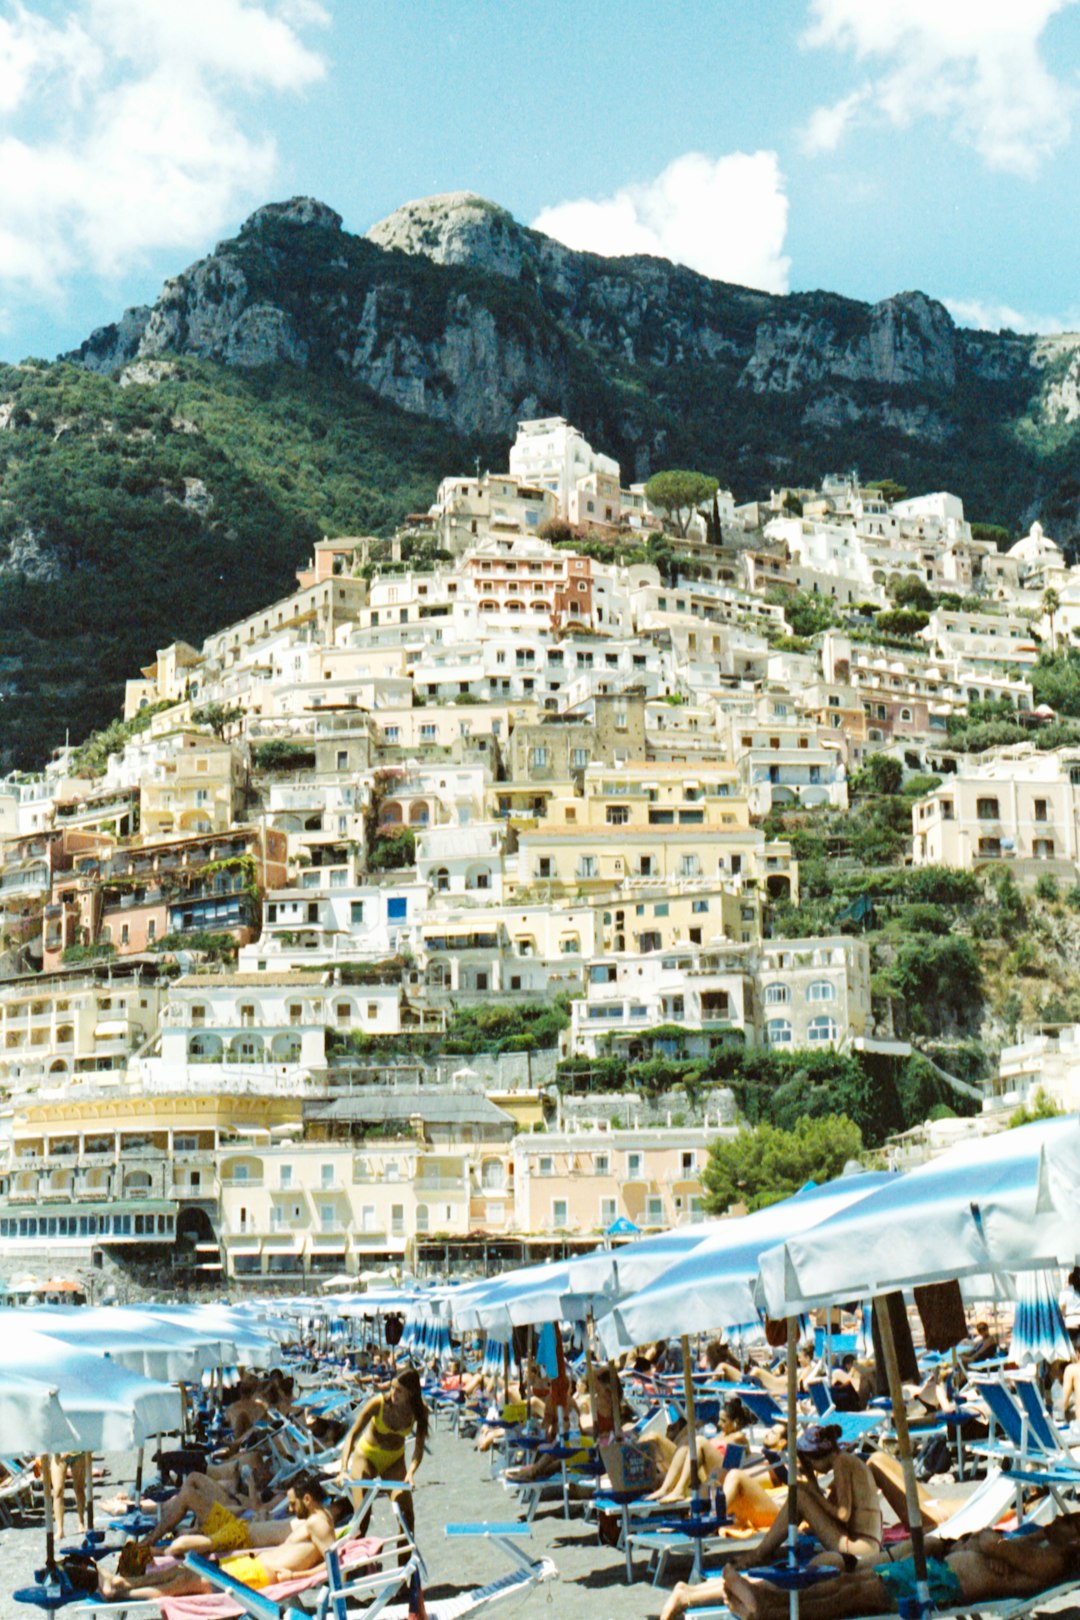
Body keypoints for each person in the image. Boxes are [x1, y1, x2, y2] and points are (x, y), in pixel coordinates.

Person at [684, 1515, 1080, 1620]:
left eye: (1069, 1521)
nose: (1058, 1520)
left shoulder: (1054, 1559)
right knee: (845, 1585)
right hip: (937, 1573)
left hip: (943, 1585)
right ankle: (771, 1601)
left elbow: (991, 1542)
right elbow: (990, 1541)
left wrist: (987, 1544)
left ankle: (771, 1611)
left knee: (852, 1595)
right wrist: (988, 1544)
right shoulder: (1041, 1543)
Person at [98, 1475, 337, 1601]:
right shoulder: (316, 1521)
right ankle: (120, 1584)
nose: (292, 1509)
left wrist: (295, 1575)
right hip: (253, 1563)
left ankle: (120, 1590)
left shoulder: (319, 1523)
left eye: (294, 1503)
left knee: (186, 1582)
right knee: (184, 1573)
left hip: (259, 1571)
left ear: (308, 1499)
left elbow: (333, 1568)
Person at [723, 1424, 883, 1567]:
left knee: (798, 1496)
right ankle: (760, 1553)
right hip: (867, 1544)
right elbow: (832, 1512)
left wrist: (812, 1491)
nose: (810, 1469)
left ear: (816, 1457)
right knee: (801, 1493)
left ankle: (759, 1555)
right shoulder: (848, 1461)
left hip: (858, 1548)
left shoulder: (841, 1464)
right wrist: (812, 1482)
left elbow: (842, 1514)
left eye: (809, 1464)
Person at [338, 1368, 428, 1558]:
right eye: (393, 1388)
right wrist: (343, 1469)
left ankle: (403, 1577)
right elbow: (352, 1435)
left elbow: (418, 1449)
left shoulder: (419, 1411)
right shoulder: (378, 1403)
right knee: (362, 1518)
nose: (393, 1394)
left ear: (411, 1393)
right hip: (366, 1457)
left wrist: (411, 1473)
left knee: (406, 1516)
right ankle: (349, 1573)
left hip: (394, 1461)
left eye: (399, 1391)